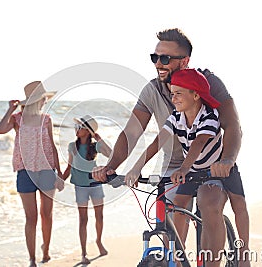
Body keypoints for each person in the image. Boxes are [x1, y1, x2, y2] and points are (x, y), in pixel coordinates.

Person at [92, 28, 249, 267]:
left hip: (211, 164)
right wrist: (111, 167)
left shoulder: (208, 83)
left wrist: (226, 161)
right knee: (170, 223)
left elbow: (232, 126)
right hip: (173, 168)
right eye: (155, 57)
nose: (158, 63)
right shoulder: (152, 90)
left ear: (184, 61)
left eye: (165, 58)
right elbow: (132, 132)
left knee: (210, 203)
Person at [125, 69, 248, 266]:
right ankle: (177, 258)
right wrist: (136, 168)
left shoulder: (209, 116)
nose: (173, 98)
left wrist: (182, 169)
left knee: (239, 206)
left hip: (216, 169)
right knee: (177, 207)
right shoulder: (176, 116)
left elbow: (198, 144)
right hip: (192, 171)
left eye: (179, 93)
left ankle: (244, 253)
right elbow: (158, 141)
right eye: (172, 93)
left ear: (196, 95)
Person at [0, 81, 62, 267]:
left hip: (47, 171)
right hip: (25, 172)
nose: (44, 103)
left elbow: (52, 146)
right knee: (31, 217)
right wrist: (10, 109)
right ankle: (32, 259)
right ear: (37, 101)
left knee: (47, 215)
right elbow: (0, 129)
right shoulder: (17, 119)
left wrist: (59, 173)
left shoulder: (47, 119)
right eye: (42, 100)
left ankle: (46, 251)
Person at [62, 115, 111, 264]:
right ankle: (84, 253)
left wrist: (100, 139)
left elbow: (111, 154)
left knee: (99, 216)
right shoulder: (72, 146)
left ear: (88, 131)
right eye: (76, 126)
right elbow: (69, 167)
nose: (76, 129)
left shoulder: (95, 146)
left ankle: (99, 241)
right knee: (83, 219)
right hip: (80, 187)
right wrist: (59, 181)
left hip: (95, 184)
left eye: (80, 127)